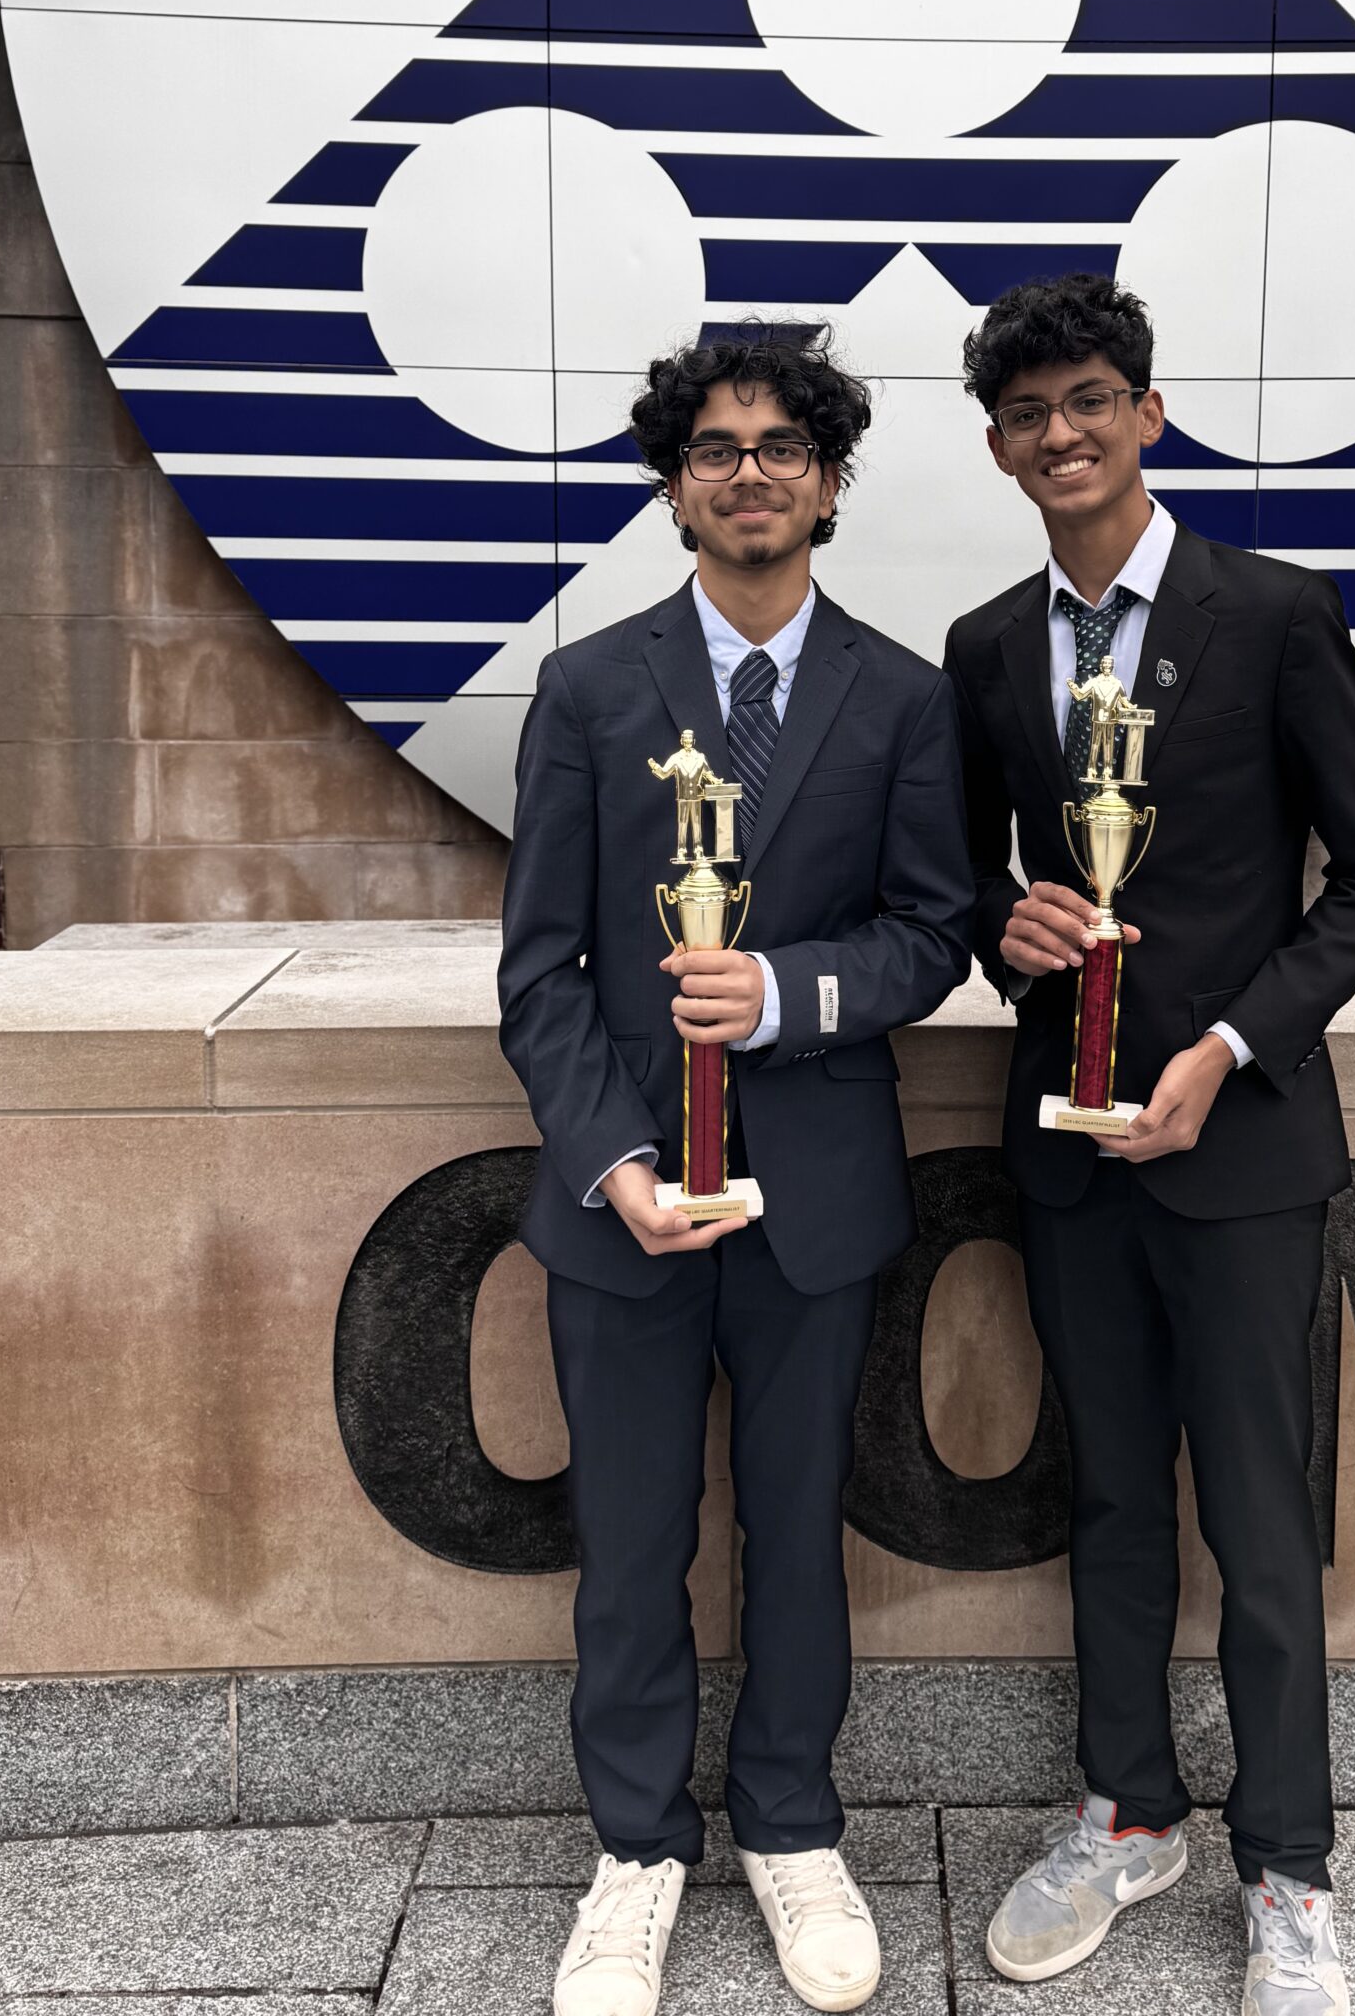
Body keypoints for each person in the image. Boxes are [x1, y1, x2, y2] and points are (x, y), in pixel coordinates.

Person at [941, 274, 1355, 2016]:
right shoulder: (986, 647)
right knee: (1110, 1497)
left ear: (1147, 414)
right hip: (1071, 1150)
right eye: (1028, 414)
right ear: (1000, 450)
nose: (1061, 434)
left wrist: (1226, 1051)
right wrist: (1006, 928)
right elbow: (964, 882)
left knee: (1261, 1517)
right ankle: (1126, 1813)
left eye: (1090, 400)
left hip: (1238, 1151)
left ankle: (1288, 1871)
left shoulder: (1276, 614)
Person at [499, 326, 973, 2016]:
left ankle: (789, 1823)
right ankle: (635, 1851)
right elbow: (539, 972)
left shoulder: (903, 696)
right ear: (676, 485)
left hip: (816, 1195)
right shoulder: (589, 689)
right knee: (631, 1540)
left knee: (796, 1526)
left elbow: (934, 934)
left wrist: (787, 994)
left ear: (829, 483)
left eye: (783, 447)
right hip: (628, 1200)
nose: (749, 471)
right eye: (716, 447)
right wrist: (614, 1160)